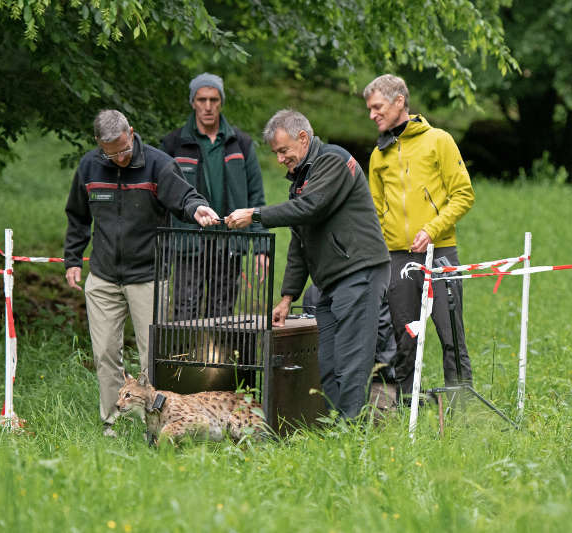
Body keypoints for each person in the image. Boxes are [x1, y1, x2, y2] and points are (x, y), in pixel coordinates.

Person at [225, 110, 390, 419]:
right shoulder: (301, 181)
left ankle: (352, 434)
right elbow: (299, 244)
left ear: (303, 138)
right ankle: (337, 427)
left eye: (283, 151)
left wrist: (255, 215)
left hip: (359, 271)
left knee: (350, 362)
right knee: (327, 363)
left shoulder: (333, 160)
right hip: (329, 282)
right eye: (275, 153)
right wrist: (288, 297)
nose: (280, 159)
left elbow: (310, 208)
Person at [64, 109, 220, 437]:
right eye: (112, 153)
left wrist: (197, 208)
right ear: (99, 145)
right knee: (105, 352)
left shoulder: (158, 164)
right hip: (104, 275)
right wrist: (73, 260)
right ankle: (111, 423)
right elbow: (77, 216)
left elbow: (184, 197)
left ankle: (157, 426)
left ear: (131, 133)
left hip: (148, 276)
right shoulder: (89, 168)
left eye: (124, 149)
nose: (120, 158)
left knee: (152, 356)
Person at [363, 74, 475, 398]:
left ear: (399, 101)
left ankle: (460, 413)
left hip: (440, 252)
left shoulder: (438, 140)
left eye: (377, 107)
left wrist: (431, 229)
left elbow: (463, 195)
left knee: (451, 334)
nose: (372, 115)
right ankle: (406, 415)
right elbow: (374, 210)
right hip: (398, 257)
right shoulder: (378, 155)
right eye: (369, 109)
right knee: (405, 340)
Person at [160, 73, 268, 319]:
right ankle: (184, 358)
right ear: (192, 102)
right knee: (185, 311)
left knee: (223, 313)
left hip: (229, 240)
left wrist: (262, 248)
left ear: (221, 102)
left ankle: (219, 358)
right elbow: (163, 198)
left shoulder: (240, 143)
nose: (208, 107)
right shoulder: (174, 143)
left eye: (213, 99)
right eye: (201, 100)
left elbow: (256, 198)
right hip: (188, 241)